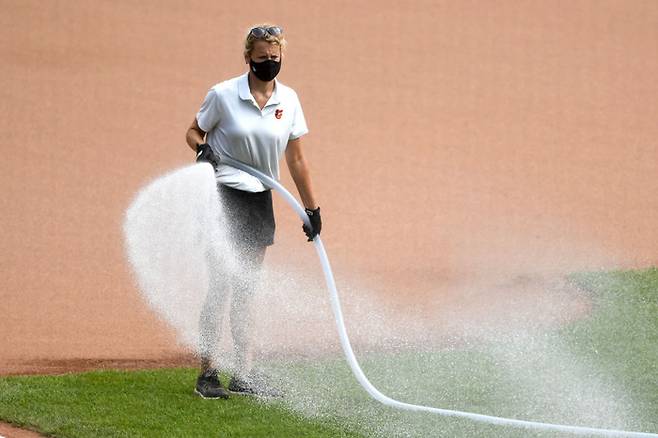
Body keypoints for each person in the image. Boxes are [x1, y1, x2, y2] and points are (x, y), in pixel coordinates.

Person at [185, 24, 321, 399]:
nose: (268, 64)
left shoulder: (289, 100)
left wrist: (312, 208)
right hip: (223, 196)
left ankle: (243, 374)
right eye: (261, 58)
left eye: (274, 59)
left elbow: (296, 158)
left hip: (260, 198)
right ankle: (207, 374)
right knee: (220, 287)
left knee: (246, 289)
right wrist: (202, 149)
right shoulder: (224, 95)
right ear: (247, 58)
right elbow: (194, 131)